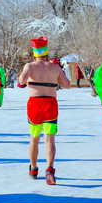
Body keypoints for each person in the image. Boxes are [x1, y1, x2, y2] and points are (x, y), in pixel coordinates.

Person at [18, 36, 72, 184]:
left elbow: (21, 81)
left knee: (34, 139)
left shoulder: (30, 66)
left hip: (34, 105)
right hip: (50, 105)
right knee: (50, 140)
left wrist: (27, 74)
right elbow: (67, 85)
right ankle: (49, 168)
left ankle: (34, 168)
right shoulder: (55, 68)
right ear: (47, 54)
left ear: (35, 54)